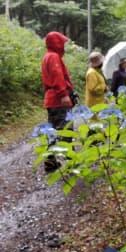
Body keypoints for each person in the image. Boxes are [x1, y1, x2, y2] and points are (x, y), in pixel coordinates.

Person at [41, 31, 75, 173]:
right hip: (58, 99)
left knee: (53, 131)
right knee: (65, 130)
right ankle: (71, 163)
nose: (64, 46)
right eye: (62, 43)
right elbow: (57, 76)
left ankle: (50, 162)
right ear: (56, 43)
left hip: (52, 99)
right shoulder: (53, 57)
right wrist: (63, 94)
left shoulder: (47, 56)